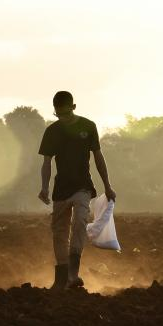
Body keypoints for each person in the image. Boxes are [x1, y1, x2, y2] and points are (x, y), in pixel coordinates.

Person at [38, 91, 116, 290]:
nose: (62, 117)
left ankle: (73, 271)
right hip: (61, 188)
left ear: (73, 107)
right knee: (59, 231)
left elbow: (98, 157)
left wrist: (107, 186)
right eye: (58, 114)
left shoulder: (88, 127)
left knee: (80, 221)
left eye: (65, 113)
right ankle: (62, 275)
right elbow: (46, 162)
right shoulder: (52, 131)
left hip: (82, 186)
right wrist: (44, 187)